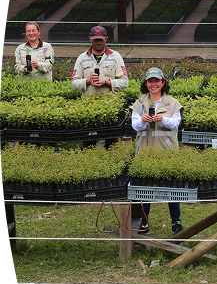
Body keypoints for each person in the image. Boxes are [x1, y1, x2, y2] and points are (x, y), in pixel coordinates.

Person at [130, 67, 185, 235]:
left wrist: (164, 119)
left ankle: (176, 222)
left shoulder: (173, 103)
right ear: (146, 83)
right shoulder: (140, 103)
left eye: (156, 81)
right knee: (145, 188)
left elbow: (176, 124)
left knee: (171, 188)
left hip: (167, 152)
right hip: (145, 152)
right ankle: (144, 222)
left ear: (163, 83)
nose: (153, 84)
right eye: (150, 81)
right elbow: (134, 125)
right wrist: (142, 121)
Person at [70, 26, 129, 96]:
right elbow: (73, 84)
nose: (98, 42)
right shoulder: (82, 58)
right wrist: (88, 81)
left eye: (101, 40)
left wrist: (106, 83)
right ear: (90, 39)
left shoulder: (116, 57)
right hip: (88, 104)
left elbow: (125, 82)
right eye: (95, 40)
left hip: (110, 103)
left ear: (106, 39)